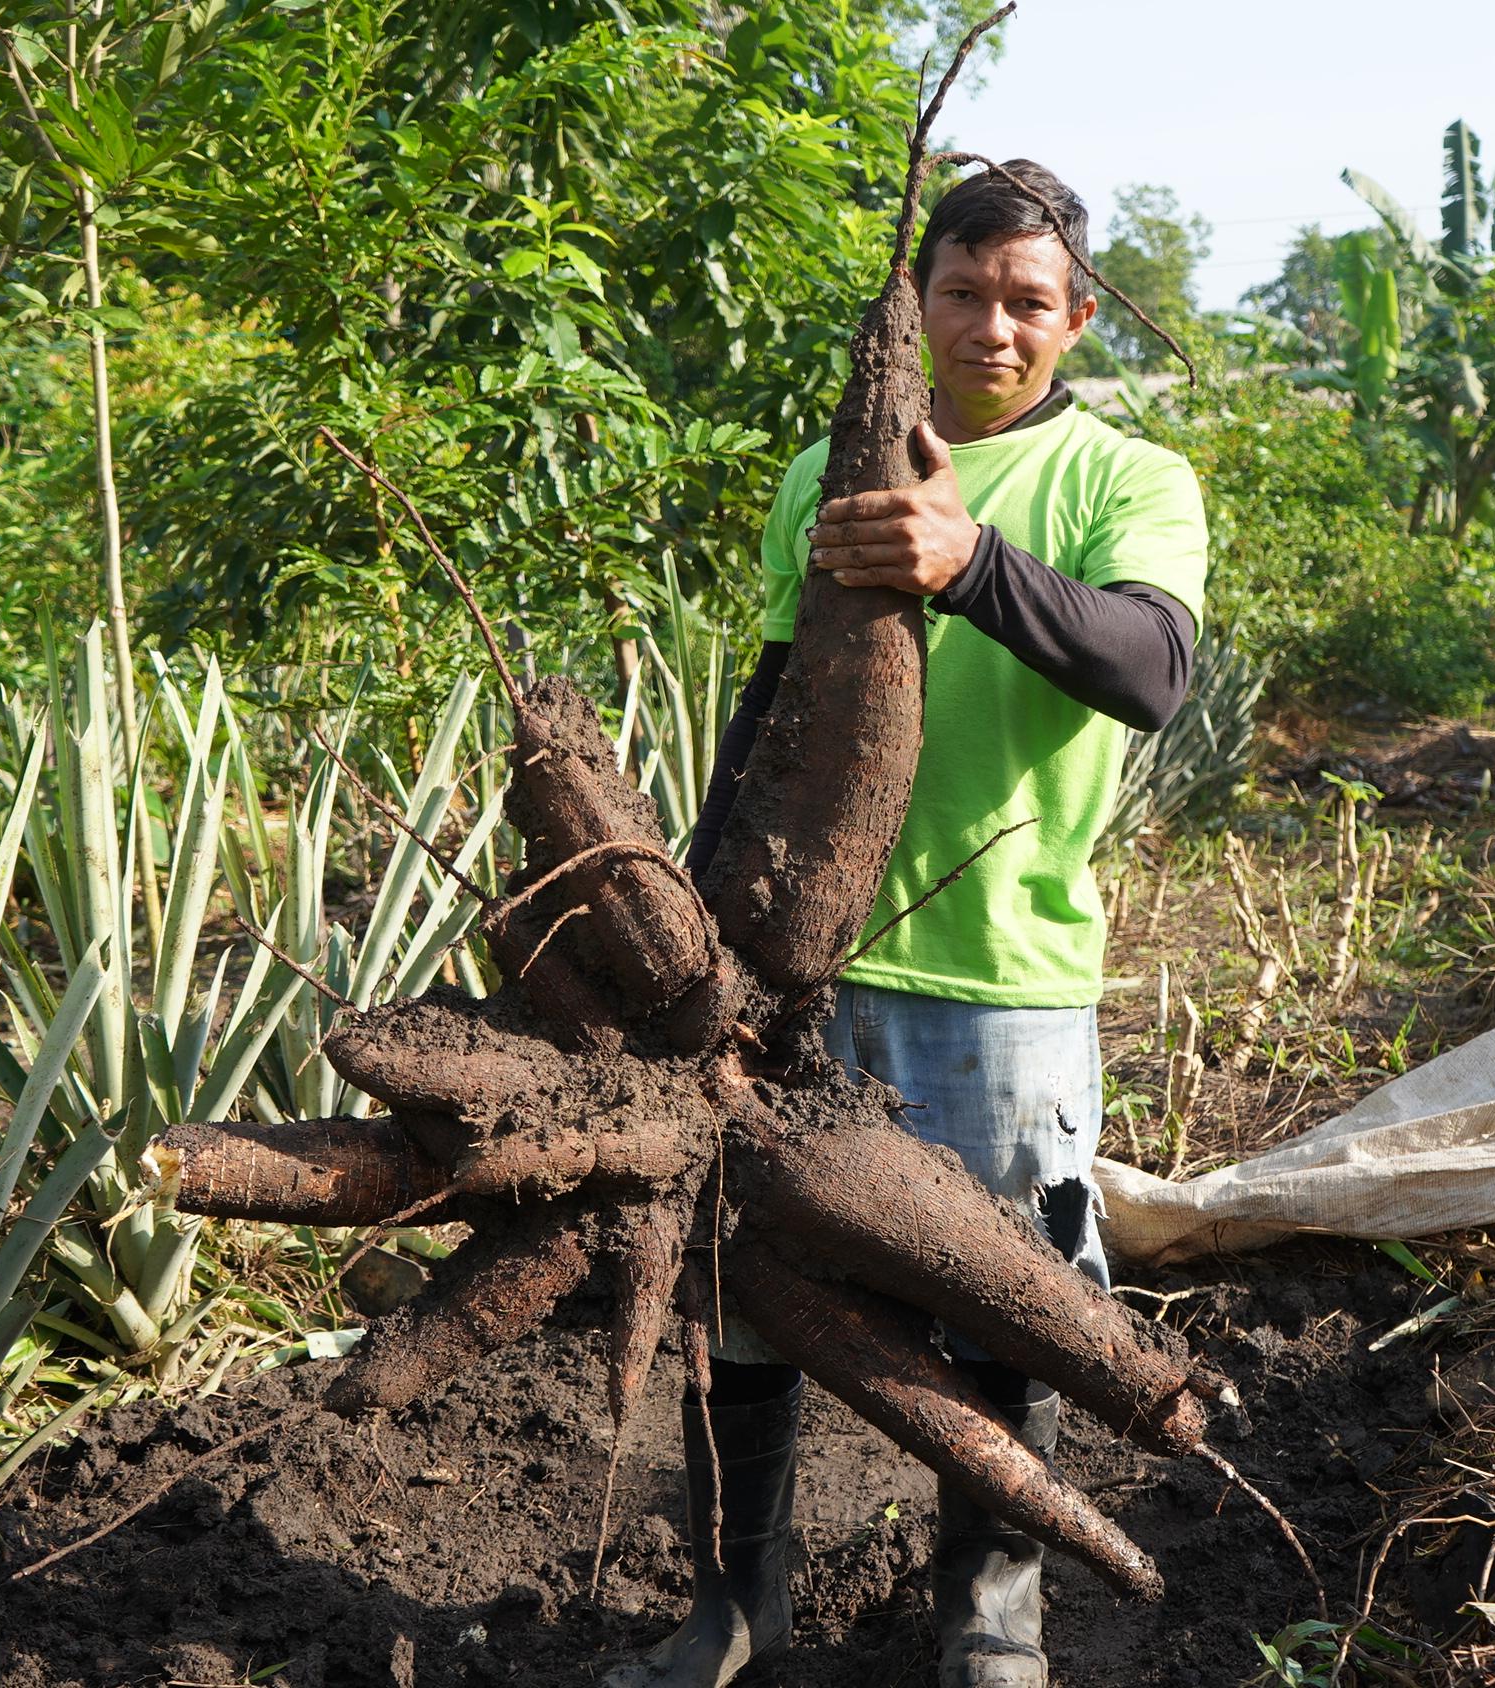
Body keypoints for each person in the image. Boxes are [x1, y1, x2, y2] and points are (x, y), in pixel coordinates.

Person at [611, 158, 1209, 1688]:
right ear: (917, 305)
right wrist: (690, 930)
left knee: (1004, 1300)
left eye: (1026, 301)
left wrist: (972, 563)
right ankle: (738, 1609)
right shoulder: (825, 477)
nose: (991, 327)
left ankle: (990, 1632)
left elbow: (1150, 670)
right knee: (733, 1295)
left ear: (1077, 315)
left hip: (996, 973)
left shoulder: (1128, 480)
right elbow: (770, 704)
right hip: (795, 975)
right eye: (961, 293)